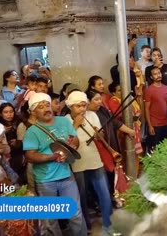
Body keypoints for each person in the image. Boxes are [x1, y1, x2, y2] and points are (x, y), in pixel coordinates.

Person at [23, 93, 87, 236]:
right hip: (45, 180)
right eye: (40, 107)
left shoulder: (63, 121)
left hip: (66, 176)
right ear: (33, 112)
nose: (46, 109)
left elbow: (74, 139)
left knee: (75, 213)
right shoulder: (32, 132)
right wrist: (52, 156)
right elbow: (30, 155)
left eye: (47, 104)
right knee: (51, 219)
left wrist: (71, 148)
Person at [65, 91, 114, 234]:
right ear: (70, 107)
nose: (82, 109)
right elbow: (65, 143)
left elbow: (100, 137)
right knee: (81, 195)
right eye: (78, 106)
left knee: (104, 193)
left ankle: (108, 223)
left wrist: (100, 134)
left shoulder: (92, 115)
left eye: (84, 105)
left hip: (95, 160)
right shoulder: (65, 120)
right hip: (77, 163)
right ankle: (85, 226)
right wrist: (75, 125)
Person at [144, 66, 167, 153]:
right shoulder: (149, 90)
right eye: (155, 74)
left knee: (166, 147)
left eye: (159, 73)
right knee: (155, 149)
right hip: (155, 125)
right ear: (151, 77)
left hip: (166, 123)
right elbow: (146, 109)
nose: (158, 75)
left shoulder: (166, 88)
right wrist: (149, 125)